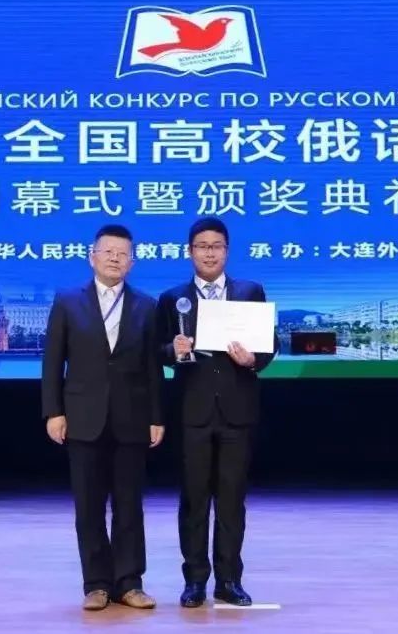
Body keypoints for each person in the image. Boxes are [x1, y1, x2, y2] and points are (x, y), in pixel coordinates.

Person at [42, 224, 165, 611]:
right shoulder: (68, 301)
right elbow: (52, 362)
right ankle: (95, 584)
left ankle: (129, 583)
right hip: (83, 416)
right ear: (92, 257)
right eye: (108, 251)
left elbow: (152, 368)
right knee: (89, 506)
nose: (115, 258)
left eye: (122, 253)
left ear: (132, 262)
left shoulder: (147, 305)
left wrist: (157, 416)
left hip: (132, 417)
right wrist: (53, 411)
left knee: (129, 506)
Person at [157, 217, 278, 608]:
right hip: (192, 412)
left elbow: (270, 345)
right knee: (193, 500)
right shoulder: (172, 298)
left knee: (231, 501)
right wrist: (172, 351)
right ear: (189, 251)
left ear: (227, 251)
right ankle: (194, 581)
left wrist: (252, 359)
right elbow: (156, 351)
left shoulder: (250, 291)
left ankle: (229, 580)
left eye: (217, 246)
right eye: (202, 246)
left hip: (237, 412)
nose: (209, 253)